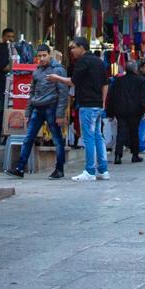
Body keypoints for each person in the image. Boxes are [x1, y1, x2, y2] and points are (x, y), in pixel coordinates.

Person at [47, 37, 109, 182]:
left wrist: (57, 78)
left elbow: (73, 81)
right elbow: (105, 84)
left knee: (88, 138)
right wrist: (103, 102)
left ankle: (89, 171)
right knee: (98, 136)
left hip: (87, 104)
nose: (72, 51)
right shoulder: (99, 62)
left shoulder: (82, 62)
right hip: (98, 104)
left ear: (82, 47)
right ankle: (103, 170)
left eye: (74, 47)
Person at [4, 44, 69, 179]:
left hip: (52, 108)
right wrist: (28, 112)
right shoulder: (37, 71)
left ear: (49, 54)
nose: (41, 58)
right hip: (37, 109)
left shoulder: (58, 70)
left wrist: (60, 113)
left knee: (57, 140)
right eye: (39, 56)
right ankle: (20, 168)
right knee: (28, 138)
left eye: (44, 55)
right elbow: (32, 92)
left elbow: (63, 93)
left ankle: (59, 169)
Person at [107, 61, 145, 163]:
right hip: (135, 110)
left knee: (121, 132)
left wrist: (111, 112)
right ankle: (135, 155)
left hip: (121, 110)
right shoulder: (140, 81)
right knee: (134, 132)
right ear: (135, 69)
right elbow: (143, 97)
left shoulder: (118, 81)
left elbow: (112, 96)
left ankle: (118, 155)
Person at [0, 28, 16, 143]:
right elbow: (4, 67)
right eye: (8, 36)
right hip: (2, 85)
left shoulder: (15, 49)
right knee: (3, 110)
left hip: (14, 85)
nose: (10, 39)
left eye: (12, 37)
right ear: (3, 37)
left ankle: (8, 136)